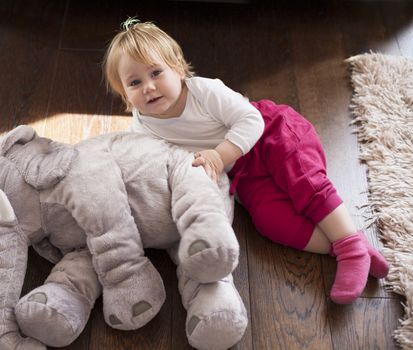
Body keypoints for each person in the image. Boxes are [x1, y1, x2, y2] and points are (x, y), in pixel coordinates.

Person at [102, 18, 389, 304]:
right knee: (270, 222)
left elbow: (250, 120)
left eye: (156, 73)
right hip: (242, 174)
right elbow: (139, 158)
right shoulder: (142, 126)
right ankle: (349, 247)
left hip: (271, 134)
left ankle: (350, 248)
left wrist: (220, 154)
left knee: (305, 184)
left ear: (177, 68)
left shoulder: (204, 92)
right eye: (135, 82)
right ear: (124, 95)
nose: (149, 87)